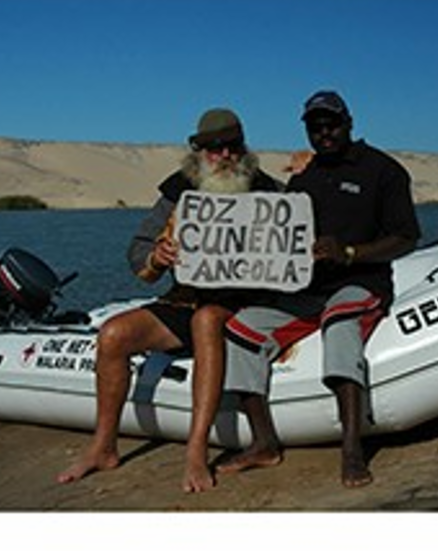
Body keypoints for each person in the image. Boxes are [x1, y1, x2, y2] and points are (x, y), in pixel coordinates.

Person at [57, 108, 280, 492]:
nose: (225, 156)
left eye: (232, 147)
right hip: (183, 300)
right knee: (113, 335)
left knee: (206, 320)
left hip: (239, 306)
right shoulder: (178, 191)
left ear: (243, 148)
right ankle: (103, 447)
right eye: (215, 149)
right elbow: (138, 251)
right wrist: (157, 257)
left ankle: (196, 451)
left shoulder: (271, 193)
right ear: (200, 152)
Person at [219, 90, 421, 487]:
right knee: (241, 330)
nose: (324, 133)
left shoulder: (384, 170)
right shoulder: (305, 177)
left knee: (340, 322)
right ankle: (264, 443)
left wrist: (349, 253)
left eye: (332, 124)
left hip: (362, 281)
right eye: (315, 127)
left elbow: (406, 237)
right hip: (307, 289)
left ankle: (352, 450)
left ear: (349, 123)